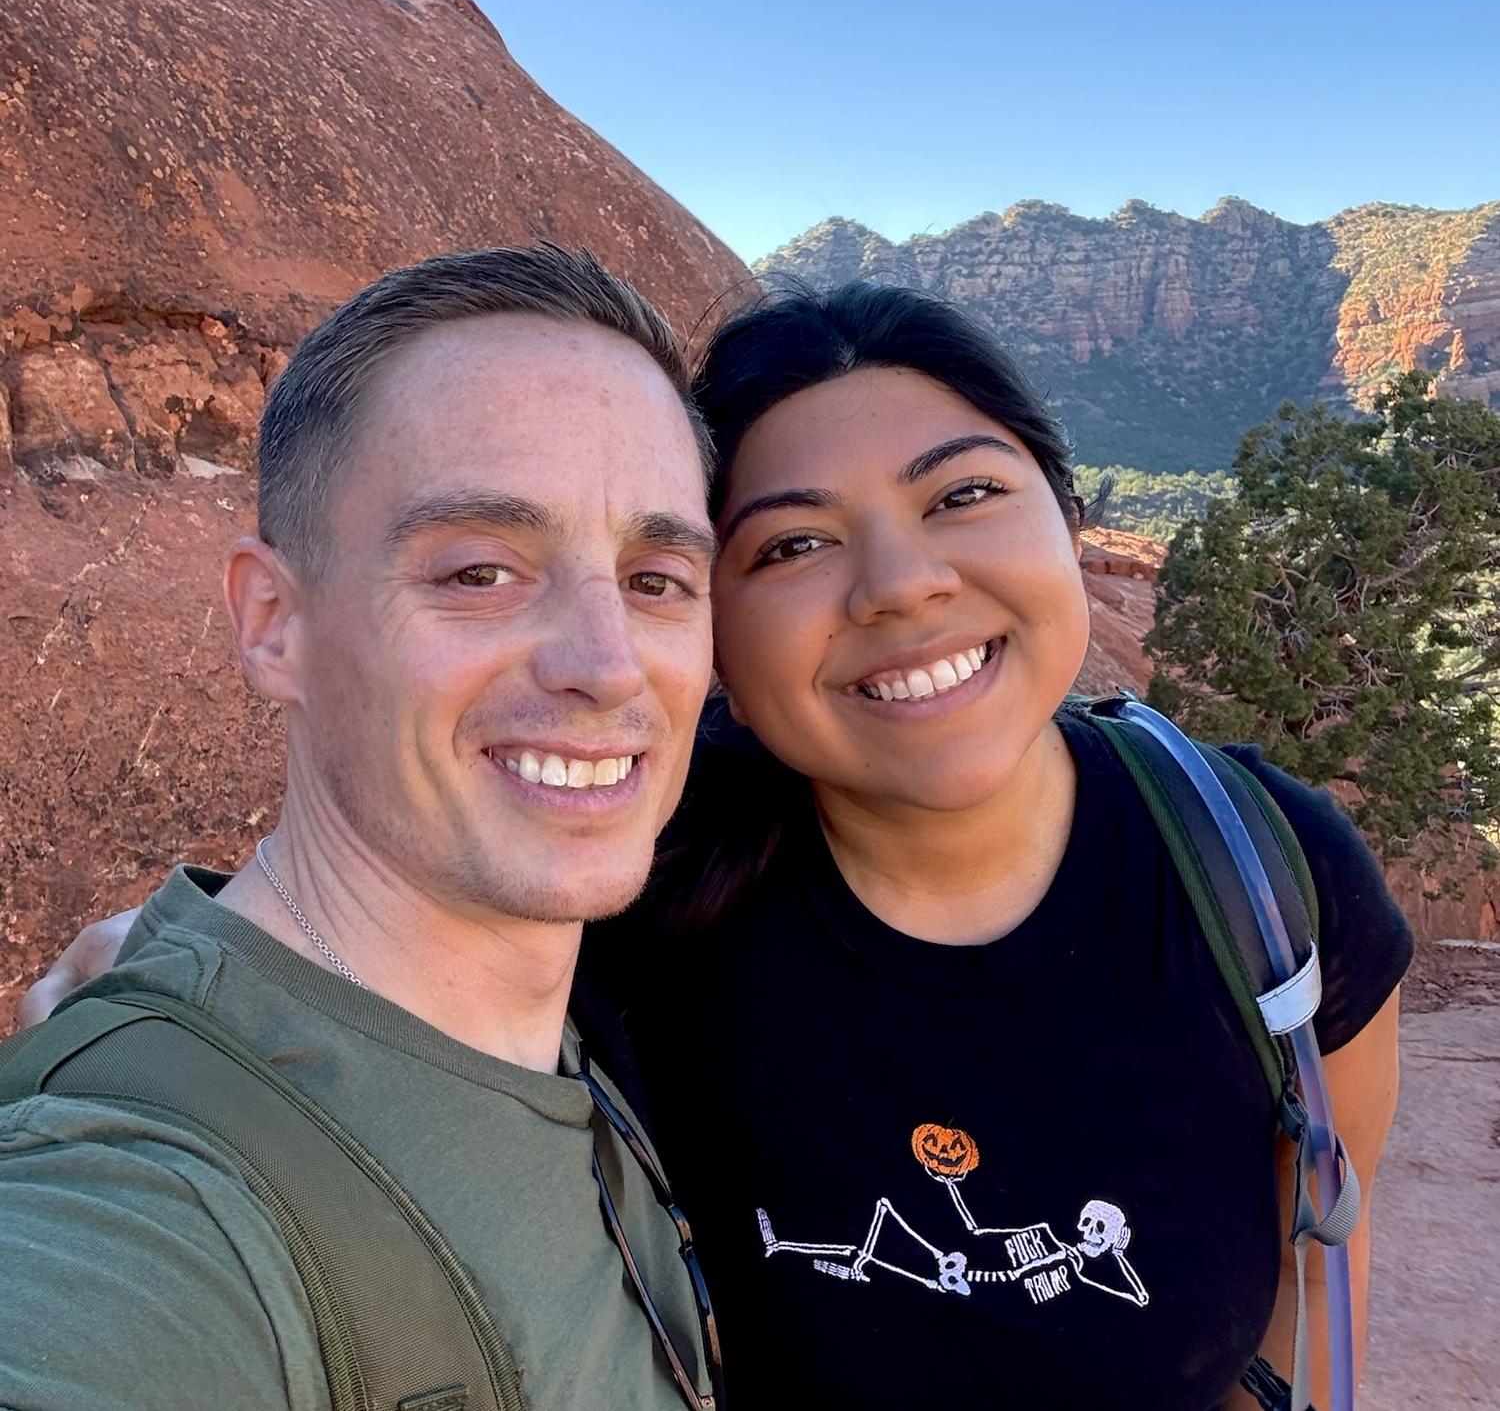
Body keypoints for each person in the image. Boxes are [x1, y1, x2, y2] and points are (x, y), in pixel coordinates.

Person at [22, 280, 1414, 1411]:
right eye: (794, 546)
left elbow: (1317, 1234)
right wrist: (178, 978)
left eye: (966, 495)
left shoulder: (1258, 869)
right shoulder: (642, 885)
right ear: (727, 643)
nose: (904, 585)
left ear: (1067, 512)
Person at [0, 244, 721, 1411]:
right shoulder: (145, 1196)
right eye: (481, 571)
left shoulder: (594, 1017)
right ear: (274, 622)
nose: (606, 663)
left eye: (655, 579)